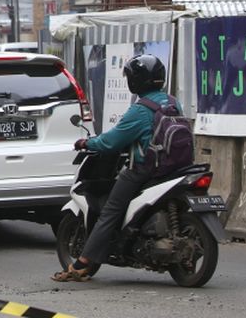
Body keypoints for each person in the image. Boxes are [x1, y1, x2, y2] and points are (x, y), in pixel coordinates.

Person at [52, 53, 177, 282]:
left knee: (111, 210)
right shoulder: (171, 101)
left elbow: (111, 142)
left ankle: (83, 263)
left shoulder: (140, 110)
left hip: (146, 169)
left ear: (136, 81)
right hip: (176, 167)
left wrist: (87, 142)